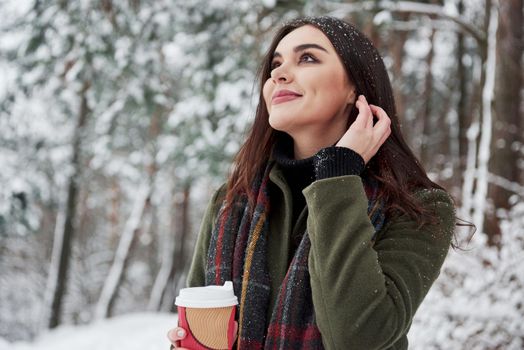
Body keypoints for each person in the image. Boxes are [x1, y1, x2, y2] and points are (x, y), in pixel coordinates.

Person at [167, 16, 456, 350]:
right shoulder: (233, 199)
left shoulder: (417, 207)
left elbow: (357, 338)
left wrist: (338, 176)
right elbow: (199, 326)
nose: (278, 73)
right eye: (276, 63)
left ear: (355, 88)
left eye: (307, 58)